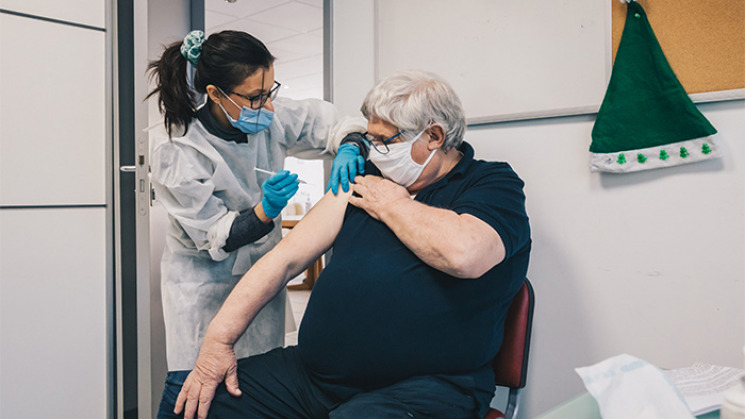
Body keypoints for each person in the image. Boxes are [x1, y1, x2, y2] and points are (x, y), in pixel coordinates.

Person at [174, 70, 531, 419]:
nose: (372, 152)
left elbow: (465, 255)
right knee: (190, 397)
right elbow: (283, 259)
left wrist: (396, 205)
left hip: (432, 387)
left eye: (383, 141)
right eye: (369, 139)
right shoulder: (366, 180)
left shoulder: (491, 183)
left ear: (434, 136)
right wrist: (218, 343)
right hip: (313, 377)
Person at [147, 30, 368, 418]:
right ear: (215, 93)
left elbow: (335, 122)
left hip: (260, 278)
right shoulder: (178, 149)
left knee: (259, 388)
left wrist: (350, 144)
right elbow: (214, 236)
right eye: (254, 97)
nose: (266, 105)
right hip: (203, 290)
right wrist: (265, 210)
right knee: (201, 393)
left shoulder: (270, 116)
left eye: (270, 91)